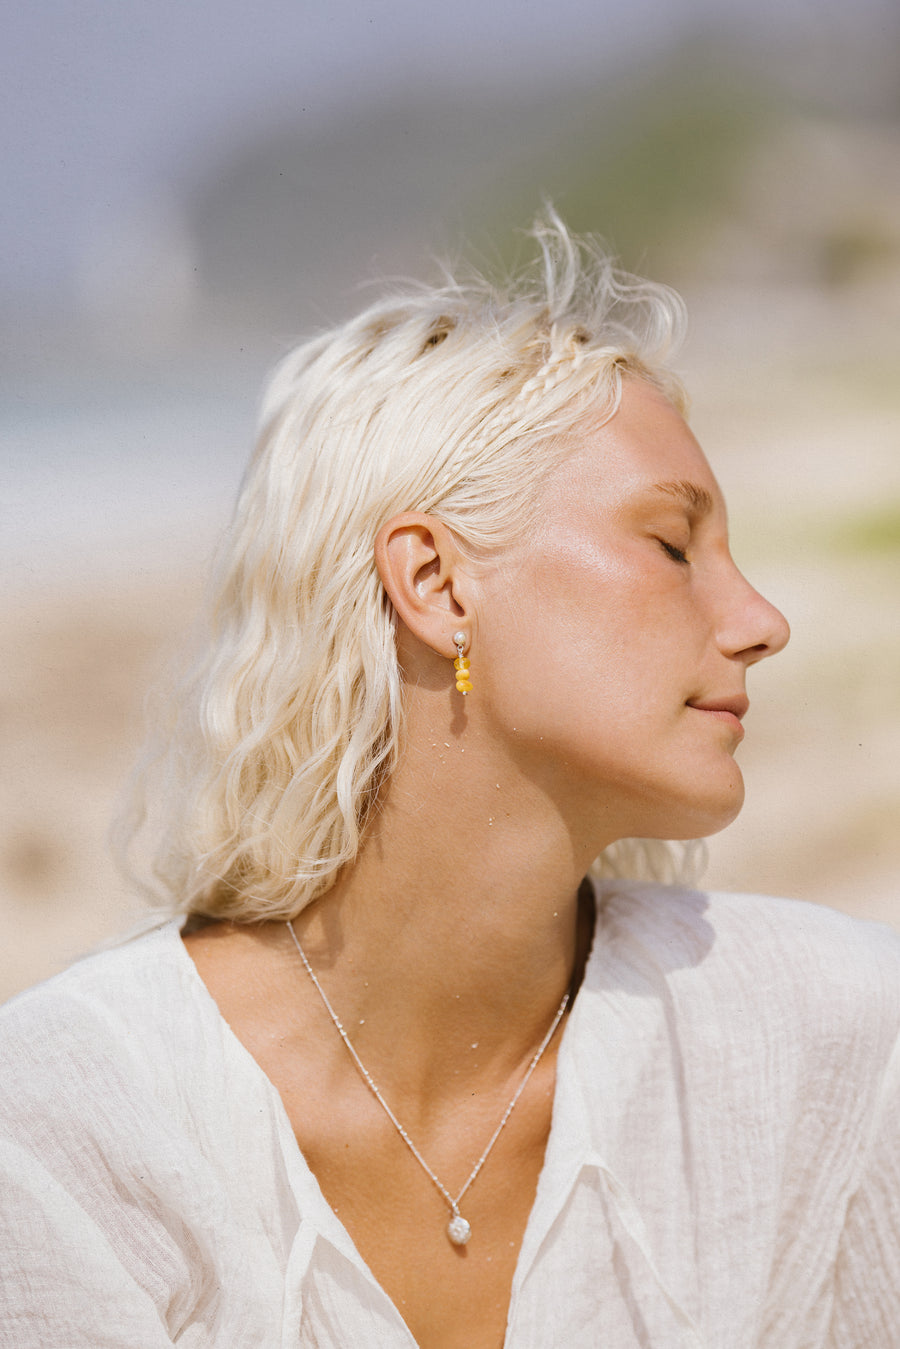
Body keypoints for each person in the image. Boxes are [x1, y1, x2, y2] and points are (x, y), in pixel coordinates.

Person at [1, 218, 898, 1349]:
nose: (763, 621)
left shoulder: (837, 1039)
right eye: (672, 545)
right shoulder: (64, 1133)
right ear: (434, 581)